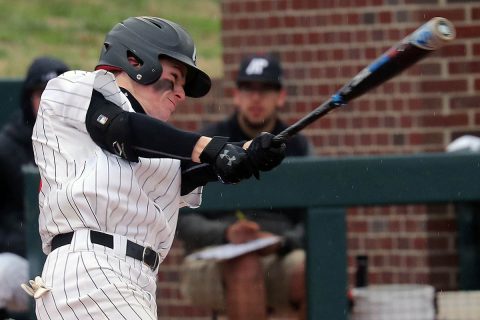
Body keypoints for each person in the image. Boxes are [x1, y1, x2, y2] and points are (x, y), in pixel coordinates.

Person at [21, 17, 286, 320]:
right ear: (135, 60)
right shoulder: (71, 89)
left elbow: (199, 165)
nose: (181, 93)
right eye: (174, 78)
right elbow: (119, 129)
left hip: (132, 282)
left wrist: (251, 152)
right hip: (90, 269)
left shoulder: (159, 147)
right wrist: (209, 148)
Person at [177, 53, 311, 320]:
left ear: (281, 96)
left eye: (266, 90)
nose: (256, 98)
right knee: (245, 266)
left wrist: (281, 243)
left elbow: (314, 220)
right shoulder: (210, 141)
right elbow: (181, 219)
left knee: (311, 269)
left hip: (281, 253)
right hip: (213, 254)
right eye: (248, 89)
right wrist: (228, 234)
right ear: (236, 96)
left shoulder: (298, 146)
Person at [0, 56, 69, 319]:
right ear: (29, 99)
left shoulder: (90, 145)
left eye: (59, 95)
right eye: (43, 94)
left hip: (80, 262)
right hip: (28, 264)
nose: (51, 104)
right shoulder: (7, 148)